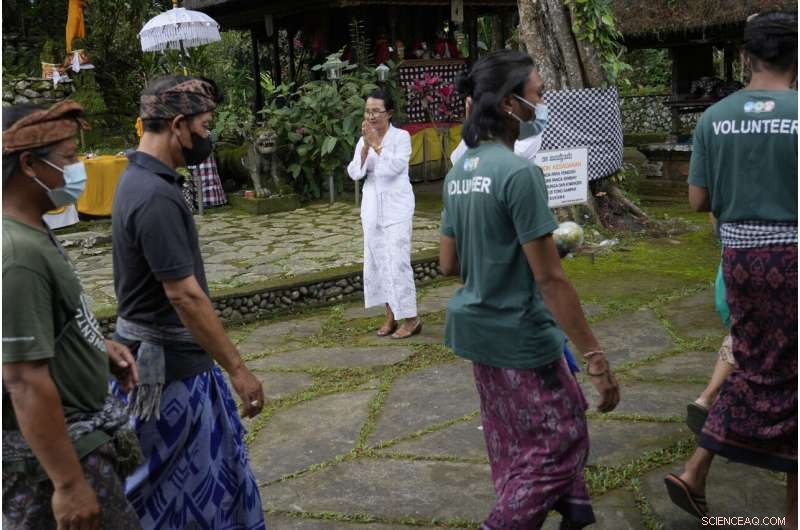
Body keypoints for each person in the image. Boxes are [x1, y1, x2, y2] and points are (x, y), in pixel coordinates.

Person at [439, 49, 620, 529]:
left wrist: (505, 250)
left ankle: (574, 514)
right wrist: (596, 360)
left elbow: (447, 263)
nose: (542, 105)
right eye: (538, 96)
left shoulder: (459, 172)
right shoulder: (520, 174)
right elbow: (550, 279)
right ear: (508, 104)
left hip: (477, 331)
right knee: (561, 442)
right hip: (520, 334)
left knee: (512, 440)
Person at [110, 76, 266, 529]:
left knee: (200, 481)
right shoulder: (155, 196)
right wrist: (238, 369)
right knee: (174, 495)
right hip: (168, 376)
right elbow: (184, 295)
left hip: (168, 365)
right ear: (178, 124)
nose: (207, 135)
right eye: (205, 123)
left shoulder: (138, 179)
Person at [664, 11, 797, 528]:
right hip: (794, 260)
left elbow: (699, 199)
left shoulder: (713, 118)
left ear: (746, 57)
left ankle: (696, 470)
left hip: (739, 260)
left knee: (752, 360)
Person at [2, 101, 142, 529]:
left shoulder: (35, 229)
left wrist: (91, 346)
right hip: (59, 460)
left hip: (80, 440)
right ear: (28, 164)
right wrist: (67, 484)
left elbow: (43, 326)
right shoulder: (16, 255)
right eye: (67, 157)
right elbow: (23, 379)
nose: (79, 167)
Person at [347, 88, 422, 339]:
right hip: (371, 207)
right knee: (378, 261)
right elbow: (355, 173)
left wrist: (377, 145)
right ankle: (390, 314)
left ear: (389, 113)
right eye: (368, 111)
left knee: (397, 261)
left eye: (376, 111)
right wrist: (365, 148)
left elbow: (393, 168)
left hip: (397, 205)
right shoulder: (364, 138)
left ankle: (411, 318)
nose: (371, 116)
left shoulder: (401, 137)